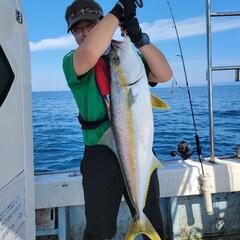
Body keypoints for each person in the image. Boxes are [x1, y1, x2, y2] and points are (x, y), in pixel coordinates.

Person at [63, 0, 173, 239]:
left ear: (101, 24)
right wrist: (118, 12)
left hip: (140, 151)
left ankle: (143, 222)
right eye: (77, 29)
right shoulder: (73, 60)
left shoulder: (125, 58)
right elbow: (91, 52)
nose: (83, 32)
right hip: (99, 155)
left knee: (154, 222)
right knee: (99, 231)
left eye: (90, 26)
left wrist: (138, 38)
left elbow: (164, 74)